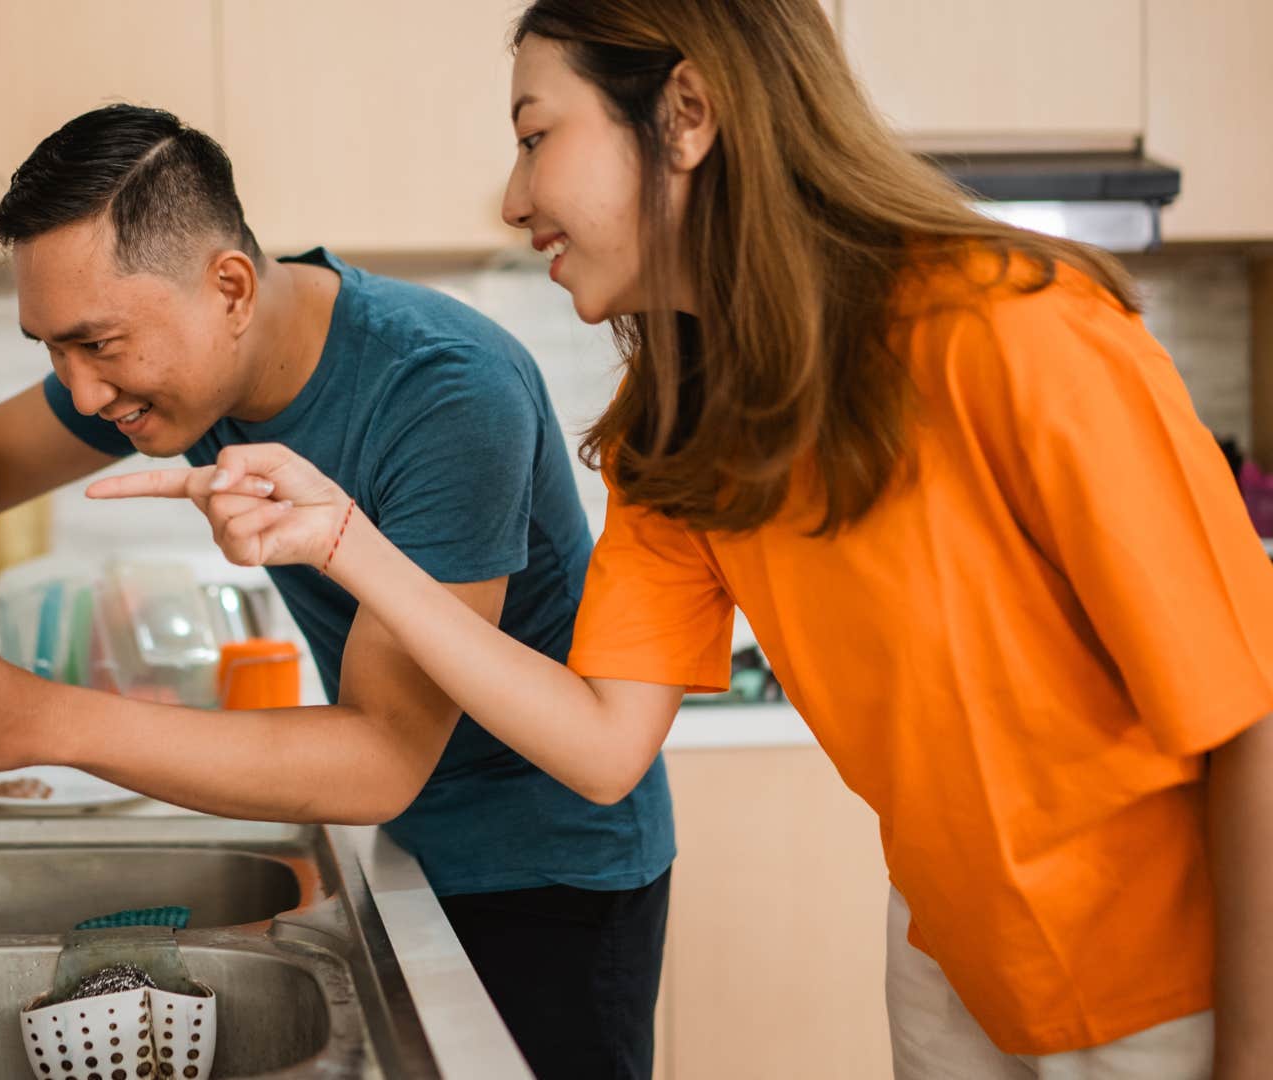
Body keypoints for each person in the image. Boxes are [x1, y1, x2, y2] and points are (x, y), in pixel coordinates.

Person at [88, 2, 1273, 1078]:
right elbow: (603, 745)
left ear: (689, 115)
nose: (512, 196)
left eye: (536, 135)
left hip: (1169, 993)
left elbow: (1253, 720)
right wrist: (347, 540)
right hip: (951, 963)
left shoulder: (1016, 333)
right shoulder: (682, 427)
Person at [0, 103, 674, 1077]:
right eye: (51, 350)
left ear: (230, 287)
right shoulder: (179, 365)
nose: (83, 393)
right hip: (403, 845)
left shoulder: (445, 391)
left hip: (551, 867)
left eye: (96, 345)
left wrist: (34, 718)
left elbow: (379, 757)